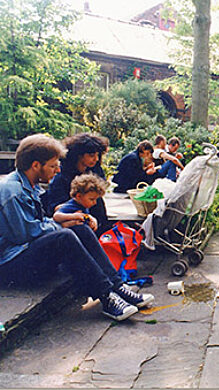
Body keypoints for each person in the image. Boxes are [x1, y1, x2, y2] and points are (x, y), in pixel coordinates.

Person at [0, 134, 154, 321]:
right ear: (35, 165)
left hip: (26, 252)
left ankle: (118, 286)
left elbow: (40, 226)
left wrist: (68, 220)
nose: (57, 170)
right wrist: (59, 223)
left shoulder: (31, 186)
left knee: (79, 227)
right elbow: (25, 234)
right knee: (64, 236)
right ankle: (107, 297)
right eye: (52, 165)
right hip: (11, 263)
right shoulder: (12, 191)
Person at [41, 133, 110, 235]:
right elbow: (54, 207)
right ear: (79, 155)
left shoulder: (94, 169)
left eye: (97, 155)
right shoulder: (61, 175)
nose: (95, 159)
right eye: (91, 155)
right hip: (72, 223)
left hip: (96, 219)